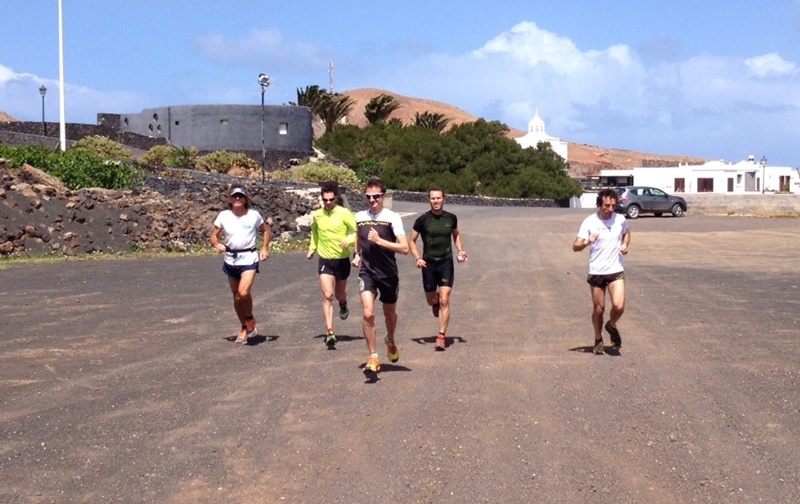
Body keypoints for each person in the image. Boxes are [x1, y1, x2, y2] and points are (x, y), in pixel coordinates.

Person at [354, 179, 409, 373]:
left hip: (388, 273)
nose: (372, 200)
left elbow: (404, 248)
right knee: (368, 313)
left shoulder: (392, 218)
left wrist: (379, 241)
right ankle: (373, 356)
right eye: (368, 196)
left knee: (389, 313)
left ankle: (390, 339)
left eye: (376, 196)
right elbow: (358, 237)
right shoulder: (360, 217)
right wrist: (356, 254)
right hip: (367, 271)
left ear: (383, 196)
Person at [573, 188, 630, 355]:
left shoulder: (620, 219)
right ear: (599, 204)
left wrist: (625, 244)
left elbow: (626, 233)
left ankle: (611, 325)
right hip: (597, 271)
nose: (610, 209)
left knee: (619, 306)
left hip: (615, 269)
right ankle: (598, 338)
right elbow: (575, 246)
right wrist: (587, 242)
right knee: (599, 309)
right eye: (606, 205)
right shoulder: (589, 222)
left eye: (613, 205)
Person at [210, 186, 271, 344]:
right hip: (231, 259)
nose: (238, 199)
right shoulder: (224, 216)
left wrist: (265, 248)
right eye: (235, 196)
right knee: (237, 298)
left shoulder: (253, 215)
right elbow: (213, 235)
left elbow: (265, 231)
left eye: (240, 196)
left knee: (243, 293)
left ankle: (249, 319)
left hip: (249, 258)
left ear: (245, 199)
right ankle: (244, 327)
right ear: (230, 199)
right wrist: (216, 244)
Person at [408, 187, 466, 351]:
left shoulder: (451, 218)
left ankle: (441, 336)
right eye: (433, 198)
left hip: (446, 262)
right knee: (431, 300)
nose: (436, 201)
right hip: (428, 264)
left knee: (445, 299)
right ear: (429, 200)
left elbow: (456, 235)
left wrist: (460, 249)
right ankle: (435, 303)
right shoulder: (422, 220)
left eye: (438, 198)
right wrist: (417, 258)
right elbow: (411, 241)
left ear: (444, 199)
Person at [307, 183, 357, 348]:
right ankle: (330, 331)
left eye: (331, 199)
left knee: (339, 294)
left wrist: (348, 240)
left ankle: (343, 303)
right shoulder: (317, 215)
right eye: (325, 200)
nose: (328, 203)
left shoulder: (344, 213)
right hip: (325, 260)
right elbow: (314, 232)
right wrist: (312, 248)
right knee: (328, 295)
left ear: (336, 198)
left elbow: (357, 231)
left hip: (341, 260)